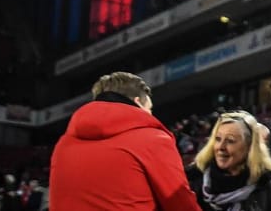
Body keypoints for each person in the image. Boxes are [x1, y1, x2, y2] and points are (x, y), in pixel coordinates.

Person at [49, 72, 199, 211]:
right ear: (138, 102)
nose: (151, 115)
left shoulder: (63, 144)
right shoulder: (152, 139)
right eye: (150, 109)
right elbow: (180, 203)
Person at [185, 111, 271, 211]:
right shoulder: (192, 181)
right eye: (218, 139)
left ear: (249, 146)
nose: (221, 147)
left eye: (230, 141)